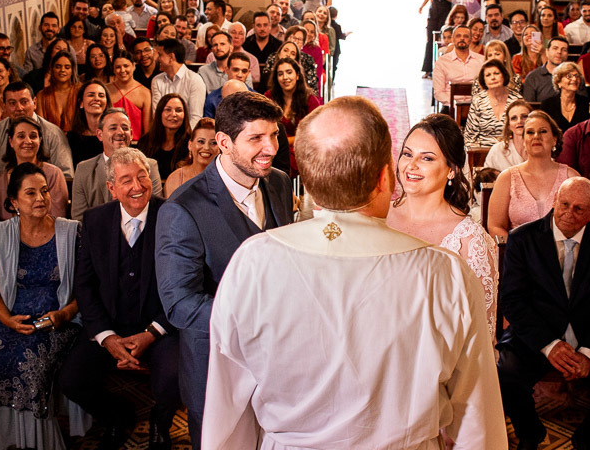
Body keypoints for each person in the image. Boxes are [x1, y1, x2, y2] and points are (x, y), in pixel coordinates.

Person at [202, 95, 506, 448]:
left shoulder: (253, 263)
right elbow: (477, 418)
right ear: (384, 177)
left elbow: (228, 408)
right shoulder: (445, 274)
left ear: (309, 185)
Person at [155, 91, 294, 448]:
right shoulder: (182, 209)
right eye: (256, 138)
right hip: (217, 366)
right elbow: (180, 304)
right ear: (224, 142)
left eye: (274, 135)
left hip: (280, 362)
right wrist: (257, 321)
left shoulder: (279, 182)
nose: (270, 148)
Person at [498, 176, 590, 450]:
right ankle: (530, 433)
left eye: (579, 209)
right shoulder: (523, 238)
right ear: (554, 201)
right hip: (536, 334)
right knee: (506, 376)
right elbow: (513, 300)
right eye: (564, 204)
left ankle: (587, 440)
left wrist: (589, 352)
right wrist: (550, 346)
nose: (568, 213)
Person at [59, 147, 180, 450]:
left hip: (160, 328)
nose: (137, 186)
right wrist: (107, 337)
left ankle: (160, 422)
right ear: (112, 188)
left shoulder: (173, 216)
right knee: (71, 380)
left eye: (142, 176)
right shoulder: (95, 220)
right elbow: (85, 285)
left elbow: (183, 285)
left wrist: (151, 333)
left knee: (175, 376)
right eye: (126, 180)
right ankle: (116, 416)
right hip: (110, 325)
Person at [0, 163, 81, 450]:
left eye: (44, 191)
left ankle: (39, 443)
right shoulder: (1, 235)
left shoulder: (71, 233)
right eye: (30, 193)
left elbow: (85, 291)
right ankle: (8, 441)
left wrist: (63, 314)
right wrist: (8, 320)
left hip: (57, 320)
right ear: (14, 202)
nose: (41, 198)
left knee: (31, 364)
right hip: (11, 318)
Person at [387, 113, 498, 347]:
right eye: (407, 154)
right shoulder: (377, 218)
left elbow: (482, 332)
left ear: (452, 170)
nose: (411, 165)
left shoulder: (469, 240)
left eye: (427, 158)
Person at [488, 110, 579, 238]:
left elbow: (580, 224)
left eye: (543, 131)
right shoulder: (507, 178)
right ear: (524, 140)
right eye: (530, 132)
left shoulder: (571, 178)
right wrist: (516, 247)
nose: (536, 136)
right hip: (517, 248)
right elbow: (495, 226)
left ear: (554, 139)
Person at [71, 108, 162, 220]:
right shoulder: (84, 169)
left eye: (125, 128)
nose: (120, 132)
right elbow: (79, 219)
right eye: (113, 128)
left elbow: (155, 211)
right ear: (100, 134)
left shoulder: (150, 165)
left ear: (131, 134)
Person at [0, 82, 74, 177]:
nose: (19, 108)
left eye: (24, 102)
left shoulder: (54, 133)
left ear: (35, 103)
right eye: (12, 103)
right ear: (3, 105)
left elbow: (66, 176)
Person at [0, 117, 68, 221]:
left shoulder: (54, 174)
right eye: (21, 136)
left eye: (33, 136)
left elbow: (58, 219)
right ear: (11, 141)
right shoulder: (1, 179)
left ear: (40, 140)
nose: (28, 141)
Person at [265, 57, 321, 174]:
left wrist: (285, 141)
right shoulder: (269, 97)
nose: (285, 77)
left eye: (289, 72)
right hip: (273, 147)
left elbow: (314, 134)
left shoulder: (310, 100)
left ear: (297, 75)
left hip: (301, 149)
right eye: (280, 74)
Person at [419, 0, 462, 77]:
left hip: (446, 13)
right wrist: (422, 5)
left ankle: (441, 70)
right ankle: (428, 69)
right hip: (433, 12)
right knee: (430, 40)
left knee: (443, 41)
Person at [463, 58, 522, 146]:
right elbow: (470, 136)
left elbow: (522, 132)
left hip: (510, 148)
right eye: (488, 75)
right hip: (482, 150)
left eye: (496, 73)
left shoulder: (516, 100)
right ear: (484, 80)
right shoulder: (478, 100)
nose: (493, 78)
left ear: (504, 75)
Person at [150, 38, 206, 127]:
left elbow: (195, 117)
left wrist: (184, 136)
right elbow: (157, 115)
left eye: (160, 55)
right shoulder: (157, 80)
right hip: (163, 133)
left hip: (188, 133)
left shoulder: (195, 80)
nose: (157, 59)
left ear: (171, 57)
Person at [164, 118, 218, 197]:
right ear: (190, 145)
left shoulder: (228, 179)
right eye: (201, 141)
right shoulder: (175, 178)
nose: (206, 148)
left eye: (213, 143)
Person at [433, 24, 484, 107]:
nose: (462, 39)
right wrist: (455, 105)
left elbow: (486, 89)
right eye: (458, 36)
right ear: (453, 39)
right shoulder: (442, 62)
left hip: (476, 107)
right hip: (450, 106)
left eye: (466, 36)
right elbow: (438, 92)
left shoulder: (481, 60)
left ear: (471, 39)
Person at [105, 50, 151, 141]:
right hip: (110, 142)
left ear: (134, 66)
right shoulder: (105, 90)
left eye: (126, 66)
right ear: (113, 69)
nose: (122, 70)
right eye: (118, 67)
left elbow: (147, 130)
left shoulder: (145, 93)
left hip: (136, 144)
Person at [67, 80, 111, 167]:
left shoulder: (113, 135)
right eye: (91, 95)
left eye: (101, 95)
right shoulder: (71, 138)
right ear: (81, 103)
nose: (96, 99)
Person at [34, 50, 79, 133]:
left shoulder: (80, 91)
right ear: (52, 69)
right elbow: (40, 127)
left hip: (78, 138)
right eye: (58, 67)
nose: (62, 70)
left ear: (72, 70)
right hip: (50, 139)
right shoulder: (42, 95)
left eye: (67, 67)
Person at [484, 99, 531, 173]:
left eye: (524, 117)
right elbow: (487, 178)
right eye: (514, 118)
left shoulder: (540, 148)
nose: (519, 121)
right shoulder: (497, 150)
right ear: (509, 125)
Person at [541, 62, 589, 132]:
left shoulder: (585, 103)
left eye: (577, 76)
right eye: (569, 76)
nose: (574, 79)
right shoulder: (547, 105)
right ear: (558, 82)